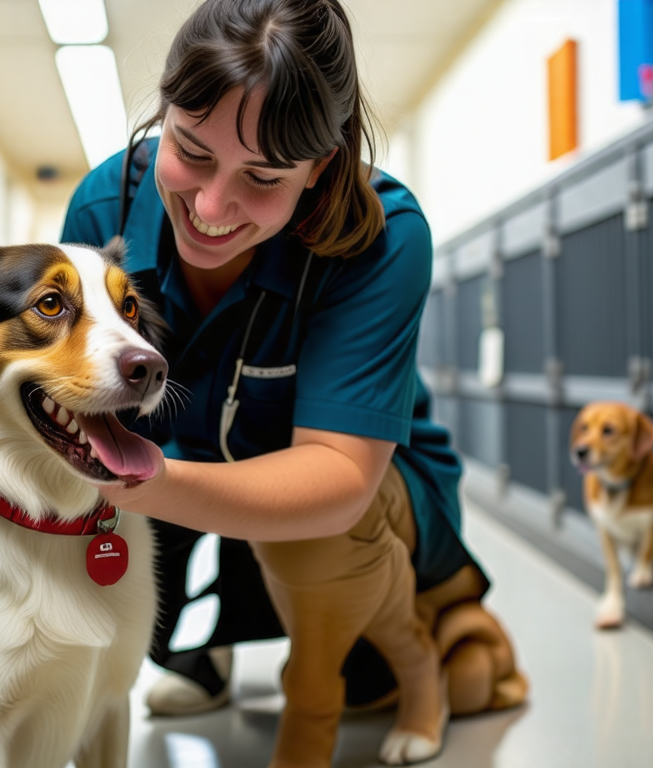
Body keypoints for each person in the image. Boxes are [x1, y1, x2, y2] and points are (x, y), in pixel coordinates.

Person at [61, 0, 526, 758]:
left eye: (265, 176)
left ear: (324, 169)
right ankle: (205, 639)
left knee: (343, 610)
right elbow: (74, 396)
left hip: (357, 500)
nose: (212, 208)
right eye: (193, 151)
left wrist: (130, 481)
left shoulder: (386, 235)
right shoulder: (104, 204)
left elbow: (339, 475)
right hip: (181, 471)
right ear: (165, 114)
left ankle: (387, 640)